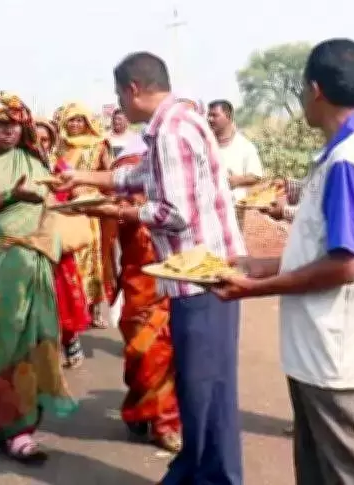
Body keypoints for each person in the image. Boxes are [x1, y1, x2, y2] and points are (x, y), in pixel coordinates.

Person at [213, 39, 354, 485]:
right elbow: (329, 248)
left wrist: (255, 289)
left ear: (315, 90)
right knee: (317, 472)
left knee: (348, 475)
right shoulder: (349, 151)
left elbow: (344, 265)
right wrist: (264, 264)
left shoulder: (351, 161)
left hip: (338, 356)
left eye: (301, 91)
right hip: (325, 353)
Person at [53, 51, 246, 485]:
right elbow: (139, 177)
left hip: (201, 280)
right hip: (191, 277)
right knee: (198, 391)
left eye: (119, 95)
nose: (118, 106)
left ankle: (216, 477)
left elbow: (172, 211)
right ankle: (192, 472)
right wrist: (85, 182)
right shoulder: (173, 124)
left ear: (133, 89)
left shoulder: (173, 130)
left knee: (208, 392)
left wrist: (116, 213)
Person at [0, 92, 77, 464]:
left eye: (15, 124)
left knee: (27, 343)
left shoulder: (34, 162)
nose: (9, 131)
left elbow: (55, 201)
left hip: (30, 266)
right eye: (0, 124)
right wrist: (10, 195)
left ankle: (20, 431)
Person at [95, 138, 183, 453]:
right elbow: (104, 242)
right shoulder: (122, 186)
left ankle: (166, 422)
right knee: (141, 352)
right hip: (138, 281)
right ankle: (138, 407)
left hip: (177, 276)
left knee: (166, 353)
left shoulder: (177, 182)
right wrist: (104, 282)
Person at [35, 118, 92, 368]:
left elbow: (76, 192)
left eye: (45, 139)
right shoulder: (16, 169)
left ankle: (70, 340)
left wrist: (77, 196)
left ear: (52, 141)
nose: (39, 144)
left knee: (63, 295)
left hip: (57, 245)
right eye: (34, 138)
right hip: (28, 244)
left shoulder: (60, 167)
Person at [54, 102, 116, 329]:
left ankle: (96, 309)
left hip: (92, 210)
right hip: (67, 210)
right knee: (72, 261)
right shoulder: (58, 146)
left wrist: (94, 191)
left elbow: (110, 175)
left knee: (96, 261)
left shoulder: (99, 145)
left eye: (80, 120)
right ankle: (74, 309)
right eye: (71, 120)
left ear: (87, 122)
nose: (75, 124)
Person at [206, 99, 264, 202]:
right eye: (209, 115)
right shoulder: (204, 146)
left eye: (214, 115)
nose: (210, 119)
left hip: (236, 207)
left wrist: (235, 181)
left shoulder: (245, 146)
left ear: (228, 117)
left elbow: (256, 176)